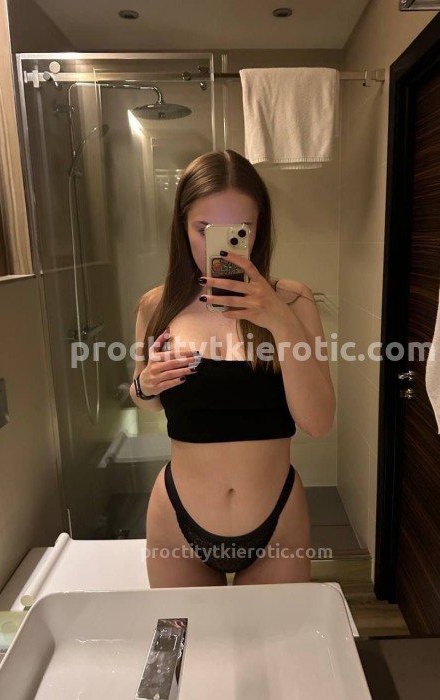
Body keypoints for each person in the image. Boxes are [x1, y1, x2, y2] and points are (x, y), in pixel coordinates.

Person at [130, 149, 336, 587]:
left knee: (271, 636)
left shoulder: (294, 300)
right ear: (182, 227)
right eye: (205, 230)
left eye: (240, 230)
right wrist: (145, 383)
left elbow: (318, 422)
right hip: (177, 523)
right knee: (188, 635)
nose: (220, 245)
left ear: (259, 228)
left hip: (276, 524)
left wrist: (279, 319)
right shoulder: (156, 306)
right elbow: (145, 401)